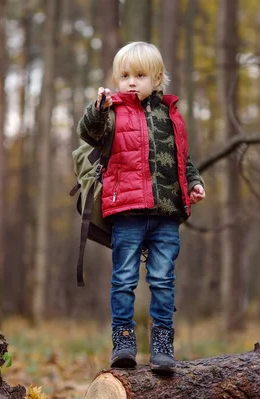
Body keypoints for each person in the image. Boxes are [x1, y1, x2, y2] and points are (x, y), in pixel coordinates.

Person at [76, 41, 205, 374]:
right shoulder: (112, 111)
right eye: (125, 75)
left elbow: (182, 158)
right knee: (123, 279)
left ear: (157, 78)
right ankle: (123, 341)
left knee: (163, 280)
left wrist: (193, 183)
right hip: (126, 211)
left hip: (166, 214)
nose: (131, 82)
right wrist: (97, 108)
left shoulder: (170, 116)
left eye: (140, 75)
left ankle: (162, 343)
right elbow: (88, 132)